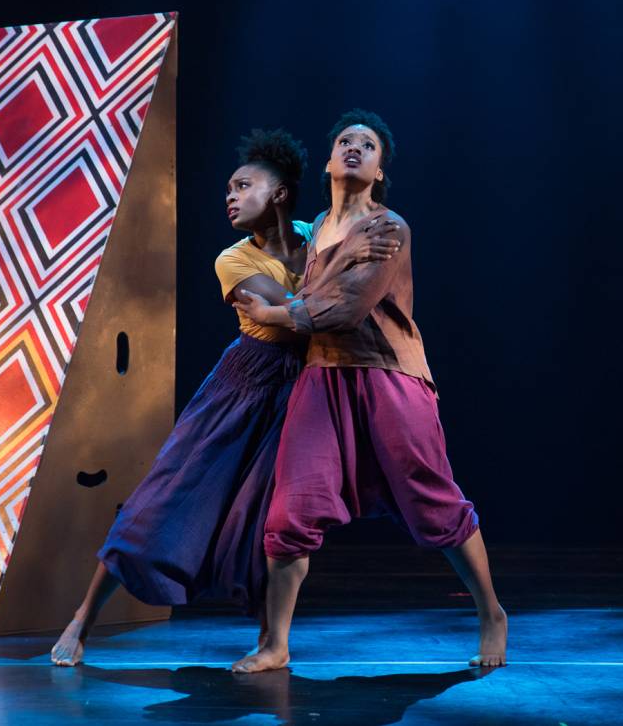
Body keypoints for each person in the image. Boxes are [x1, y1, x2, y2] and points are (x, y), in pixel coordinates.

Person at [49, 128, 398, 666]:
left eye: (242, 186)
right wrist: (349, 253)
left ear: (279, 194)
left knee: (270, 518)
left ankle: (270, 642)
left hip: (299, 391)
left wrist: (350, 251)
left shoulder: (318, 234)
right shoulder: (232, 260)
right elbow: (294, 315)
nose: (230, 197)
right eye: (228, 190)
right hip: (240, 388)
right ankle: (82, 619)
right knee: (163, 498)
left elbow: (345, 297)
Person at [230, 109, 509, 673]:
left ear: (380, 171)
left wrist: (277, 313)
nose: (355, 148)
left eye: (369, 145)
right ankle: (275, 645)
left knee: (433, 504)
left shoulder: (388, 228)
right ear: (331, 161)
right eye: (345, 141)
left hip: (389, 375)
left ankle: (492, 613)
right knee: (291, 511)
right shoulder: (312, 234)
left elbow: (349, 307)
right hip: (321, 380)